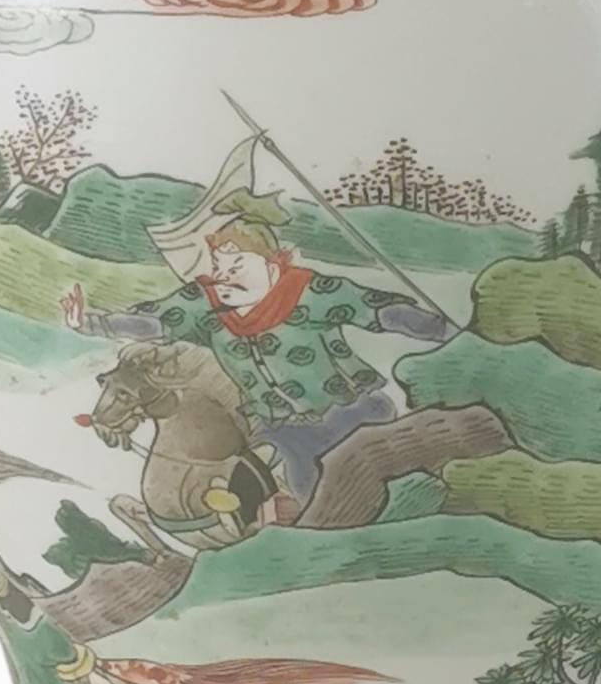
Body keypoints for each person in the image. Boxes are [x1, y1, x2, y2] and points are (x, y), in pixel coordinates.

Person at [74, 183, 454, 500]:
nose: (224, 277)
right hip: (289, 433)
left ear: (272, 264)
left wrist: (444, 331)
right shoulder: (206, 306)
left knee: (403, 485)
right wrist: (93, 323)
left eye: (237, 265)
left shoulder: (309, 292)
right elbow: (154, 322)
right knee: (316, 500)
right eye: (219, 268)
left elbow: (376, 311)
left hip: (352, 413)